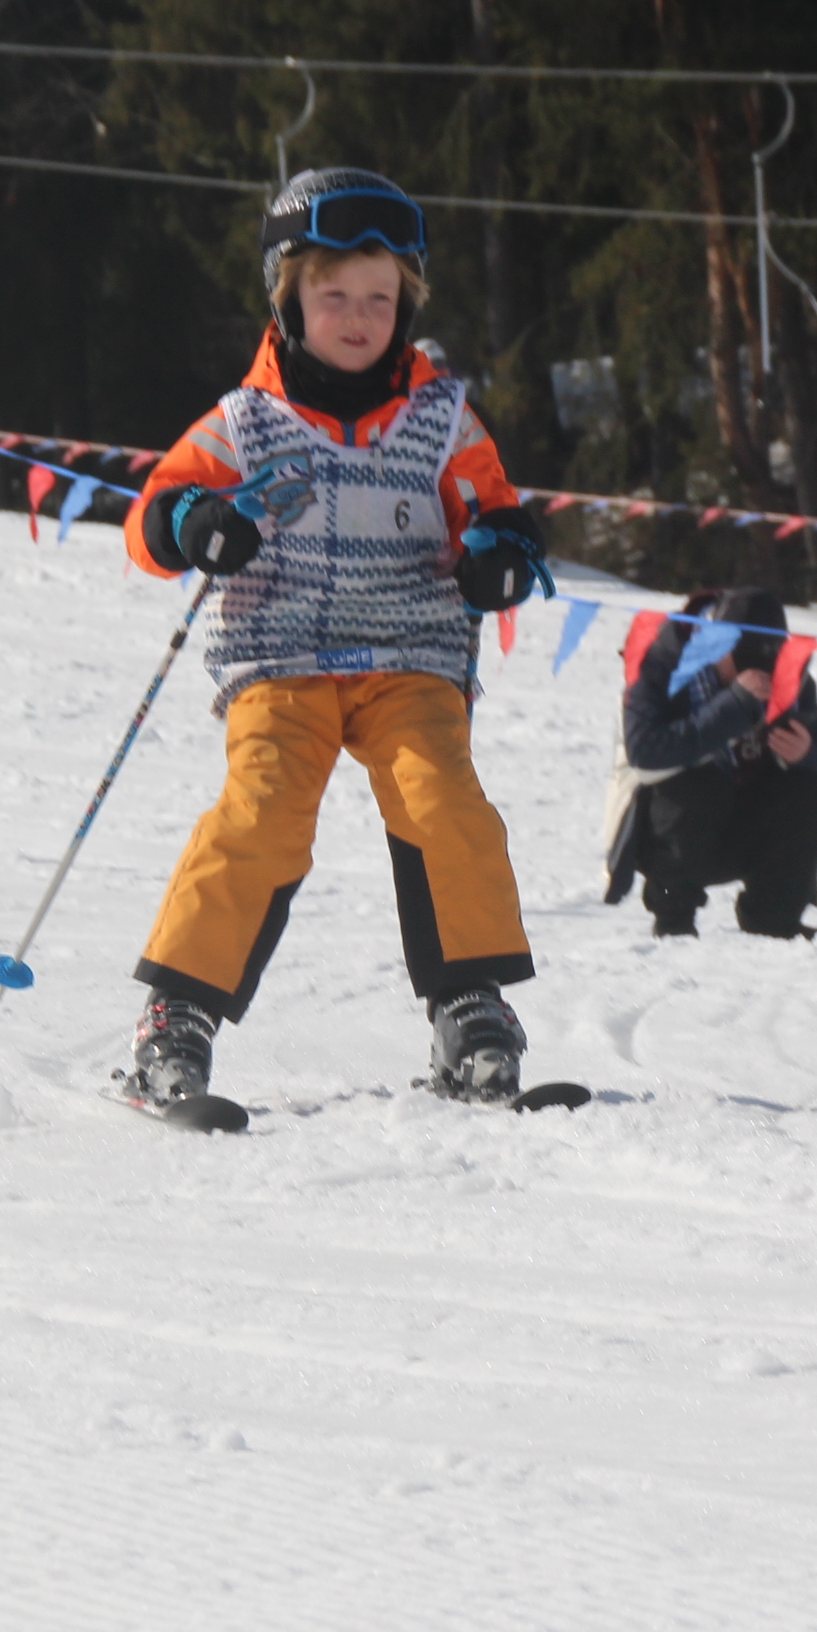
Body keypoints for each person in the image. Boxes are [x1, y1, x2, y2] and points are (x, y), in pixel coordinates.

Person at [117, 168, 552, 1105]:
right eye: (334, 297)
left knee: (442, 801)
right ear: (287, 299)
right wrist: (195, 524)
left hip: (410, 656)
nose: (358, 318)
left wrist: (501, 554)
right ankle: (177, 1014)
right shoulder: (245, 422)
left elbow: (497, 510)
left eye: (380, 299)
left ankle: (468, 1003)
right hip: (281, 658)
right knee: (264, 811)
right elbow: (152, 518)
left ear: (408, 305)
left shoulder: (442, 420)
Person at [602, 587, 817, 939]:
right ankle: (673, 920)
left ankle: (774, 917)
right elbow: (645, 752)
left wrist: (808, 752)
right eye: (744, 663)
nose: (758, 676)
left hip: (745, 824)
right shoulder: (660, 664)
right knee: (700, 781)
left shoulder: (786, 674)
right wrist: (733, 706)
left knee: (811, 789)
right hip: (664, 831)